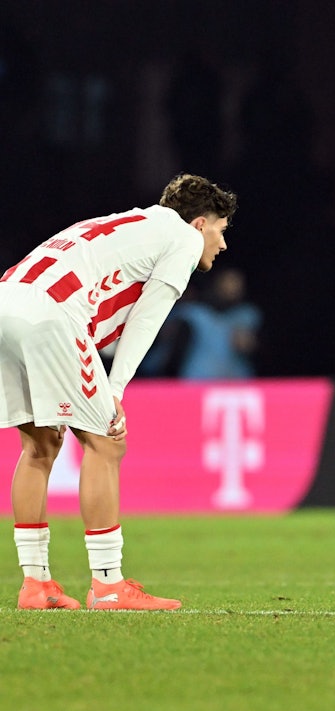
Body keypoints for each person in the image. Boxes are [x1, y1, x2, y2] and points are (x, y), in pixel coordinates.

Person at [0, 173, 237, 610]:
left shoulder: (129, 223)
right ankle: (108, 585)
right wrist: (115, 390)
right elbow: (148, 318)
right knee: (106, 444)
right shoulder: (182, 240)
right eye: (221, 230)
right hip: (54, 314)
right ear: (199, 223)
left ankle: (35, 585)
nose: (222, 246)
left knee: (39, 445)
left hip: (8, 301)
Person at [151, 267, 261, 379]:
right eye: (227, 282)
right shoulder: (193, 313)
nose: (231, 288)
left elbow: (253, 347)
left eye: (236, 283)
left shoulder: (247, 315)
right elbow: (168, 343)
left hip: (236, 383)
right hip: (198, 380)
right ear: (216, 284)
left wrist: (247, 342)